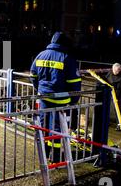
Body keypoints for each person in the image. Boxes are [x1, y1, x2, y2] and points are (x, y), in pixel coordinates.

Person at [30, 32, 82, 161]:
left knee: (44, 125)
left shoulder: (40, 55)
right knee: (58, 128)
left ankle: (45, 154)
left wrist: (40, 89)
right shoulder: (66, 58)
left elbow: (33, 75)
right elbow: (74, 83)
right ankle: (56, 156)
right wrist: (74, 100)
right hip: (61, 100)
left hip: (43, 98)